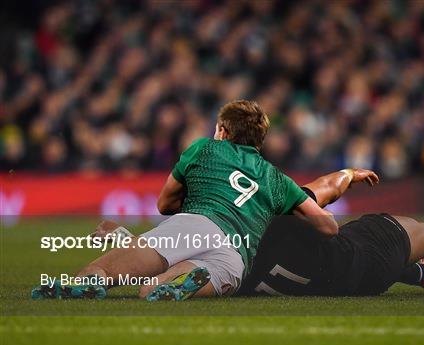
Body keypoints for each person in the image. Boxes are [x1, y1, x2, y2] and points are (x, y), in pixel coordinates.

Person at [31, 100, 337, 301]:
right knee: (152, 289)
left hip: (196, 224)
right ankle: (178, 281)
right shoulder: (277, 179)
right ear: (259, 140)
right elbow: (328, 227)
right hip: (236, 258)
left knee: (101, 273)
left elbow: (164, 204)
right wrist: (274, 213)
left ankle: (88, 282)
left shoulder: (205, 148)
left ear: (222, 130)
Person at [239, 169, 424, 297]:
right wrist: (349, 173)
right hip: (367, 257)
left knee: (324, 253)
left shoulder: (232, 268)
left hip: (350, 287)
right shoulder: (274, 214)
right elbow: (323, 187)